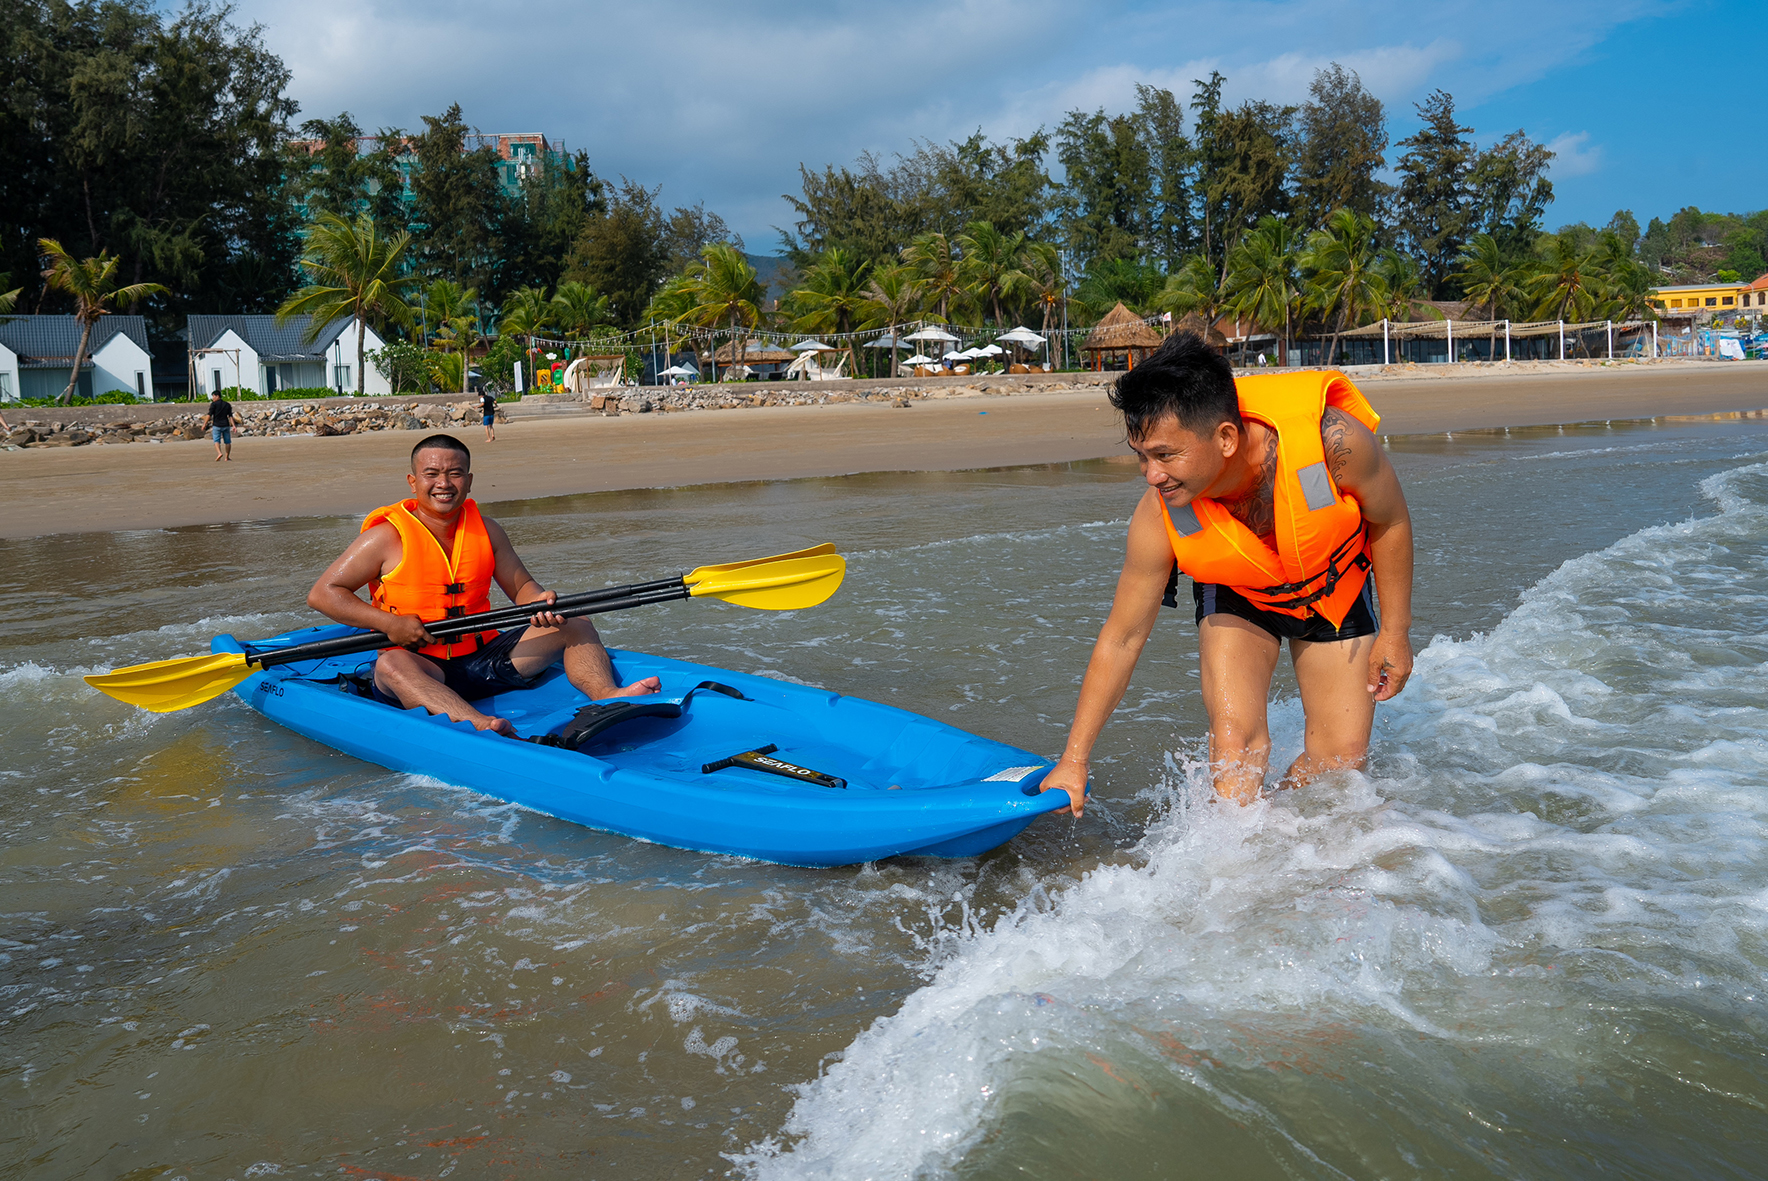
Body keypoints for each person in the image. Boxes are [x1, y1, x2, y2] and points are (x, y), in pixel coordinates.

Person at [1038, 331, 1414, 815]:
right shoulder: (1160, 516)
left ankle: (1285, 839)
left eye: (1165, 455)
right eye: (1142, 456)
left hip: (1331, 587)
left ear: (1226, 438)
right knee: (1235, 751)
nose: (1151, 475)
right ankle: (1236, 863)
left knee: (1340, 767)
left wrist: (1396, 632)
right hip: (1240, 592)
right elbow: (1123, 636)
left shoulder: (1333, 445)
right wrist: (1074, 759)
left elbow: (1391, 520)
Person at [307, 434, 660, 734]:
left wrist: (540, 602)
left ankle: (607, 693)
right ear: (413, 482)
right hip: (421, 664)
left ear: (470, 481)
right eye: (432, 474)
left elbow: (523, 588)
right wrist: (389, 623)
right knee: (390, 666)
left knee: (575, 621)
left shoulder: (487, 530)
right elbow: (323, 594)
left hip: (483, 660)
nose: (444, 483)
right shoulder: (385, 537)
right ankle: (481, 725)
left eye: (455, 474)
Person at [205, 389, 234, 461]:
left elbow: (209, 415)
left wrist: (204, 424)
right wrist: (234, 425)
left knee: (216, 440)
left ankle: (219, 453)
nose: (213, 398)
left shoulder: (214, 404)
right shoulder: (227, 404)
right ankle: (227, 457)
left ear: (217, 396)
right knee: (227, 442)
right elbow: (230, 416)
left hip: (217, 425)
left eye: (213, 396)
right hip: (226, 425)